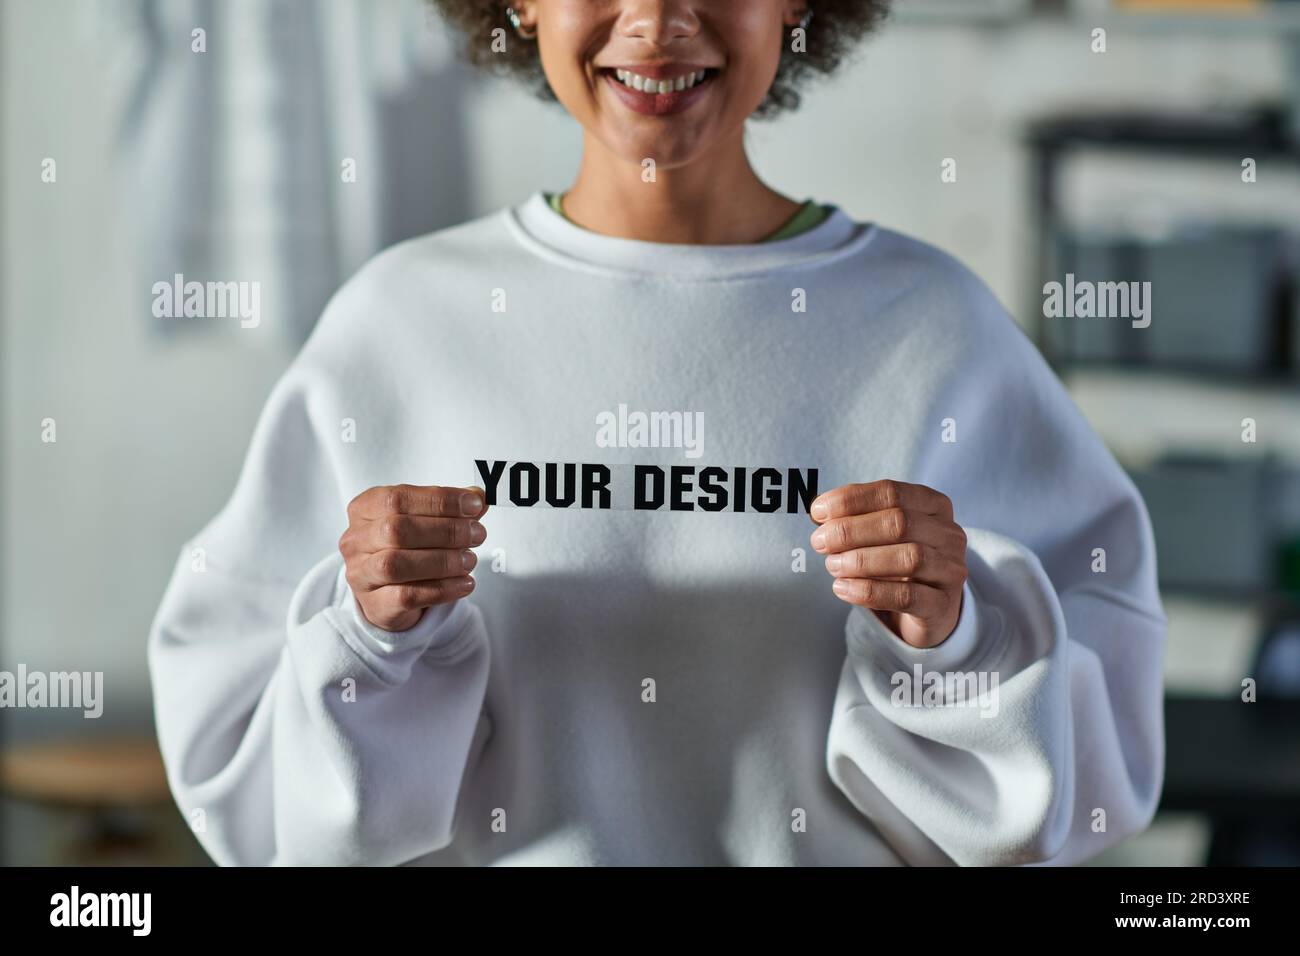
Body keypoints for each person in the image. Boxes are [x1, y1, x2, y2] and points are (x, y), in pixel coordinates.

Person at [148, 0, 1167, 866]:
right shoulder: (398, 323)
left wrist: (963, 638)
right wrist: (358, 632)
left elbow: (1098, 765)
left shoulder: (940, 332)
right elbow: (245, 771)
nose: (657, 21)